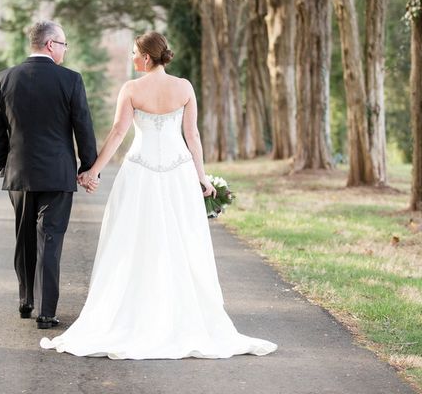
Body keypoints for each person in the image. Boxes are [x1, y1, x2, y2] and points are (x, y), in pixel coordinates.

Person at [40, 32, 277, 358]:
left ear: (147, 58)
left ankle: (137, 313)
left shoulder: (132, 89)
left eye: (135, 53)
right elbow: (191, 135)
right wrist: (201, 178)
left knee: (134, 241)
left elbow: (119, 132)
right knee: (180, 241)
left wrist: (93, 170)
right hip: (178, 174)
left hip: (140, 172)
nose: (133, 58)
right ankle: (180, 315)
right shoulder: (184, 87)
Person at [0, 20, 99, 330]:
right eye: (63, 44)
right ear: (50, 45)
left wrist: (4, 164)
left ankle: (26, 300)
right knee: (50, 239)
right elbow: (83, 128)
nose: (65, 50)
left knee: (24, 237)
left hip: (19, 173)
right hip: (57, 174)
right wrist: (87, 168)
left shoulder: (4, 79)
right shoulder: (71, 80)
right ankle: (47, 312)